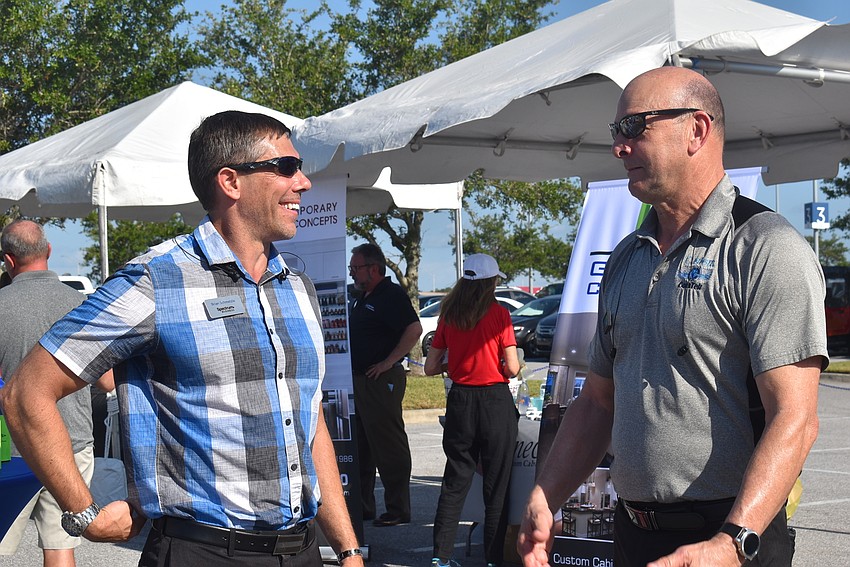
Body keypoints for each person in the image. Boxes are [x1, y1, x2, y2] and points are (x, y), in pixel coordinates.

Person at [0, 111, 364, 567]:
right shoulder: (156, 281)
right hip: (201, 552)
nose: (304, 183)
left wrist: (348, 549)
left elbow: (308, 423)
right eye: (286, 167)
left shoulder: (297, 287)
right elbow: (26, 392)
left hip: (301, 551)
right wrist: (85, 513)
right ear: (230, 181)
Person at [517, 67, 827, 567]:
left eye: (634, 126)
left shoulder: (765, 247)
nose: (618, 147)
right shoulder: (626, 256)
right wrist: (545, 494)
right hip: (634, 534)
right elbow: (597, 402)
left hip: (728, 537)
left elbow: (795, 418)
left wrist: (732, 542)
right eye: (616, 130)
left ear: (696, 130)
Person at [0, 219, 114, 567]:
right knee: (60, 547)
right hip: (71, 445)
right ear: (48, 251)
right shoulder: (82, 305)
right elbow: (108, 382)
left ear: (8, 260)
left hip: (10, 449)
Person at [424, 253, 520, 567]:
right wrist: (498, 365)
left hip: (461, 401)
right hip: (495, 402)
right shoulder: (500, 314)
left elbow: (430, 367)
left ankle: (440, 557)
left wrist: (455, 364)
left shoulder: (449, 314)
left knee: (454, 483)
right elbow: (513, 368)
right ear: (491, 283)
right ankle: (493, 559)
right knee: (497, 487)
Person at [348, 243, 422, 527]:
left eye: (356, 268)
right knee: (362, 446)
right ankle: (364, 506)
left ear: (374, 268)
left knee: (388, 445)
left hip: (380, 381)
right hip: (359, 380)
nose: (352, 273)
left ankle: (398, 509)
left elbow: (414, 328)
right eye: (351, 268)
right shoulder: (362, 296)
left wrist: (389, 362)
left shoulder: (390, 295)